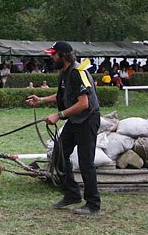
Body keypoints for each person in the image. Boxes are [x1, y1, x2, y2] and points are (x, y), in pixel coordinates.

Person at [26, 41, 101, 215]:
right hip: (75, 120)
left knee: (85, 162)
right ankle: (72, 193)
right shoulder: (65, 72)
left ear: (63, 56)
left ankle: (93, 203)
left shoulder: (78, 72)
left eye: (53, 54)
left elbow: (84, 103)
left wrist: (58, 115)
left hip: (87, 120)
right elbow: (62, 94)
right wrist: (41, 100)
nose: (51, 57)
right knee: (59, 155)